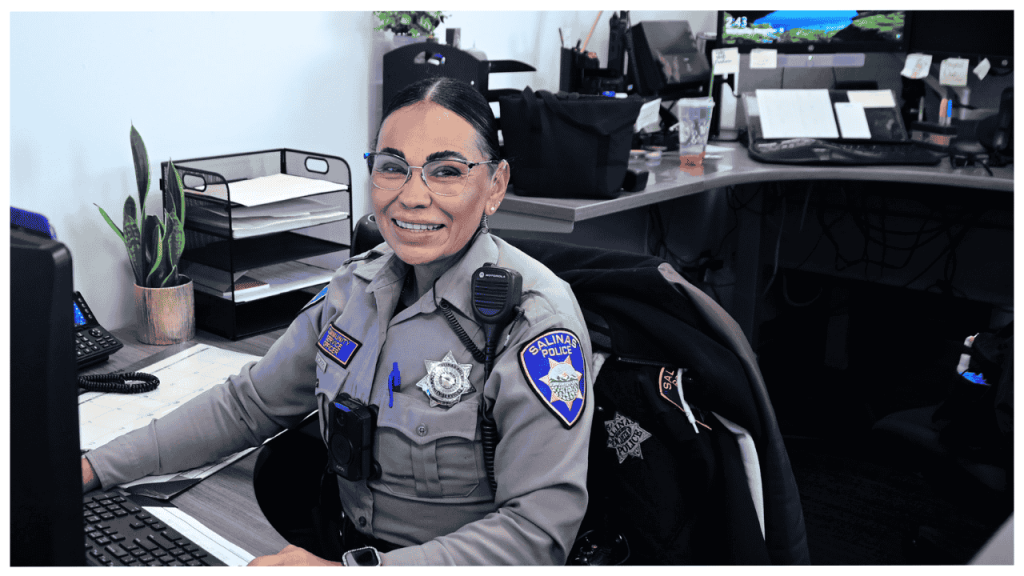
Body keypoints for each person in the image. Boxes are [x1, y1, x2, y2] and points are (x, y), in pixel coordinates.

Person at [82, 77, 595, 566]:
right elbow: (249, 405)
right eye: (393, 167)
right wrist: (95, 466)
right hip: (341, 543)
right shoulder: (354, 289)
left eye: (446, 171)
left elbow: (536, 535)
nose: (413, 197)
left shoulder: (536, 324)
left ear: (495, 185)